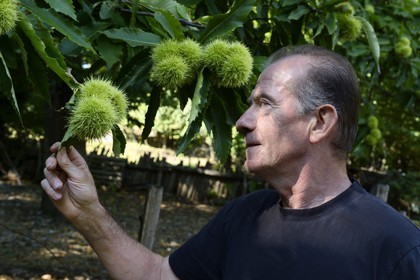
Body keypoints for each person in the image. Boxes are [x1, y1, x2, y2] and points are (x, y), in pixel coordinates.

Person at [41, 45, 420, 279]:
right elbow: (158, 277)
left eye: (264, 104)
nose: (241, 121)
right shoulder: (243, 217)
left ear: (319, 122)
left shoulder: (395, 248)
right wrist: (88, 213)